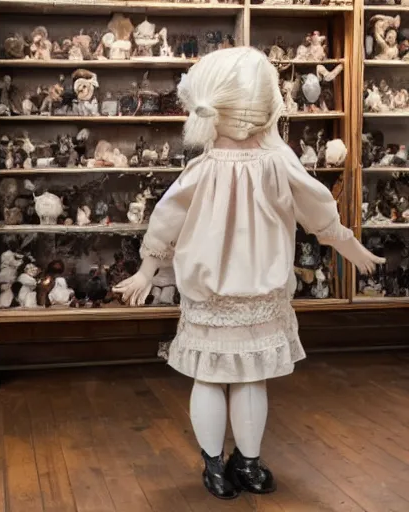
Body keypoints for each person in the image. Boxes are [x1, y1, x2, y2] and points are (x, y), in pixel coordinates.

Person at [113, 47, 384, 500]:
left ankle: (217, 466)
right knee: (249, 377)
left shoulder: (200, 169)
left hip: (209, 295)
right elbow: (317, 206)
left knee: (209, 376)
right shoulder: (278, 163)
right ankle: (246, 464)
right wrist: (347, 243)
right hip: (260, 291)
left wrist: (147, 269)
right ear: (265, 105)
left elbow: (165, 219)